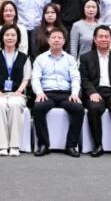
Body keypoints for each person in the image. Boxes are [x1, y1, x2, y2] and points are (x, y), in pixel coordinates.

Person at [31, 28, 83, 157]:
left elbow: (75, 78)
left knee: (78, 109)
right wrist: (39, 92)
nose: (56, 40)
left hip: (66, 94)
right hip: (47, 93)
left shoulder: (70, 59)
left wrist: (74, 93)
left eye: (59, 38)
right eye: (53, 37)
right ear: (48, 40)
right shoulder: (40, 59)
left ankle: (71, 145)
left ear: (64, 41)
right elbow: (35, 78)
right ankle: (43, 145)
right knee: (38, 108)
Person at [79, 26, 111, 158]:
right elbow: (84, 79)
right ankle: (98, 145)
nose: (103, 39)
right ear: (95, 39)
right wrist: (91, 92)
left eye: (106, 36)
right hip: (95, 91)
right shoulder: (86, 58)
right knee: (94, 108)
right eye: (100, 36)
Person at [0, 24, 30, 157]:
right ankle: (2, 146)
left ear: (18, 38)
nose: (10, 38)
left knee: (15, 105)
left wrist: (19, 91)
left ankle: (14, 145)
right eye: (7, 35)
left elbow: (26, 78)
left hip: (16, 93)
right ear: (2, 38)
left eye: (13, 35)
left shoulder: (23, 57)